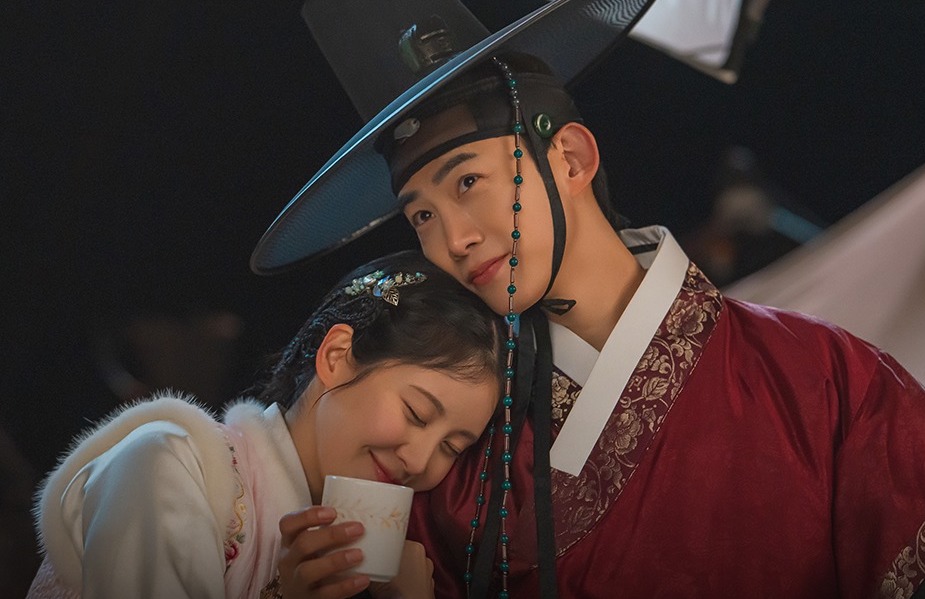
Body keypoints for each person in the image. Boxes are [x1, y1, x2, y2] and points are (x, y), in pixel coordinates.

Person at [249, 1, 925, 598]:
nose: (452, 240)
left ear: (570, 158)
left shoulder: (827, 379)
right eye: (421, 215)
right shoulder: (449, 444)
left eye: (467, 182)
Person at [26, 250, 505, 599]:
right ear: (336, 356)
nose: (419, 462)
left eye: (451, 447)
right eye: (416, 413)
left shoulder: (367, 567)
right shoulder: (168, 463)